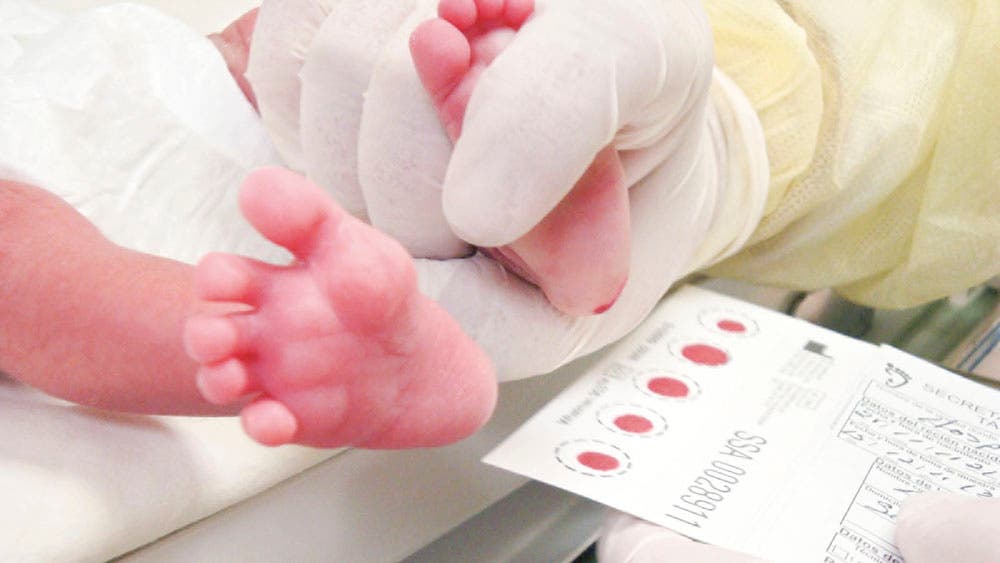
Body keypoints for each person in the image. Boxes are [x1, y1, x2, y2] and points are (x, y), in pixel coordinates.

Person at [1, 0, 997, 560]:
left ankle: (525, 159)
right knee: (57, 253)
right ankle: (319, 330)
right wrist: (268, 339)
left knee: (305, 58)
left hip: (181, 79)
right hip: (191, 156)